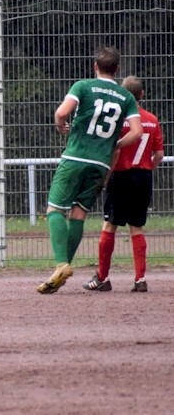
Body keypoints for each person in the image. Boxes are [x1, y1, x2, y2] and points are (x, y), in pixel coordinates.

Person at [36, 46, 142, 294]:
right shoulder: (126, 97)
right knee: (79, 213)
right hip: (102, 163)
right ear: (116, 69)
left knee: (55, 208)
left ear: (95, 66)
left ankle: (61, 264)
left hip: (75, 157)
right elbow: (136, 132)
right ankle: (60, 270)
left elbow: (62, 112)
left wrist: (60, 124)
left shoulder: (83, 86)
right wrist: (114, 143)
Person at [84, 76, 164, 293]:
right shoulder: (152, 120)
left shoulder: (119, 121)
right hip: (143, 177)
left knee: (109, 225)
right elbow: (159, 154)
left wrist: (105, 178)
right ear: (142, 95)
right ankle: (140, 279)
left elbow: (115, 151)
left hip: (121, 176)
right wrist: (147, 168)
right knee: (136, 227)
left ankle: (102, 278)